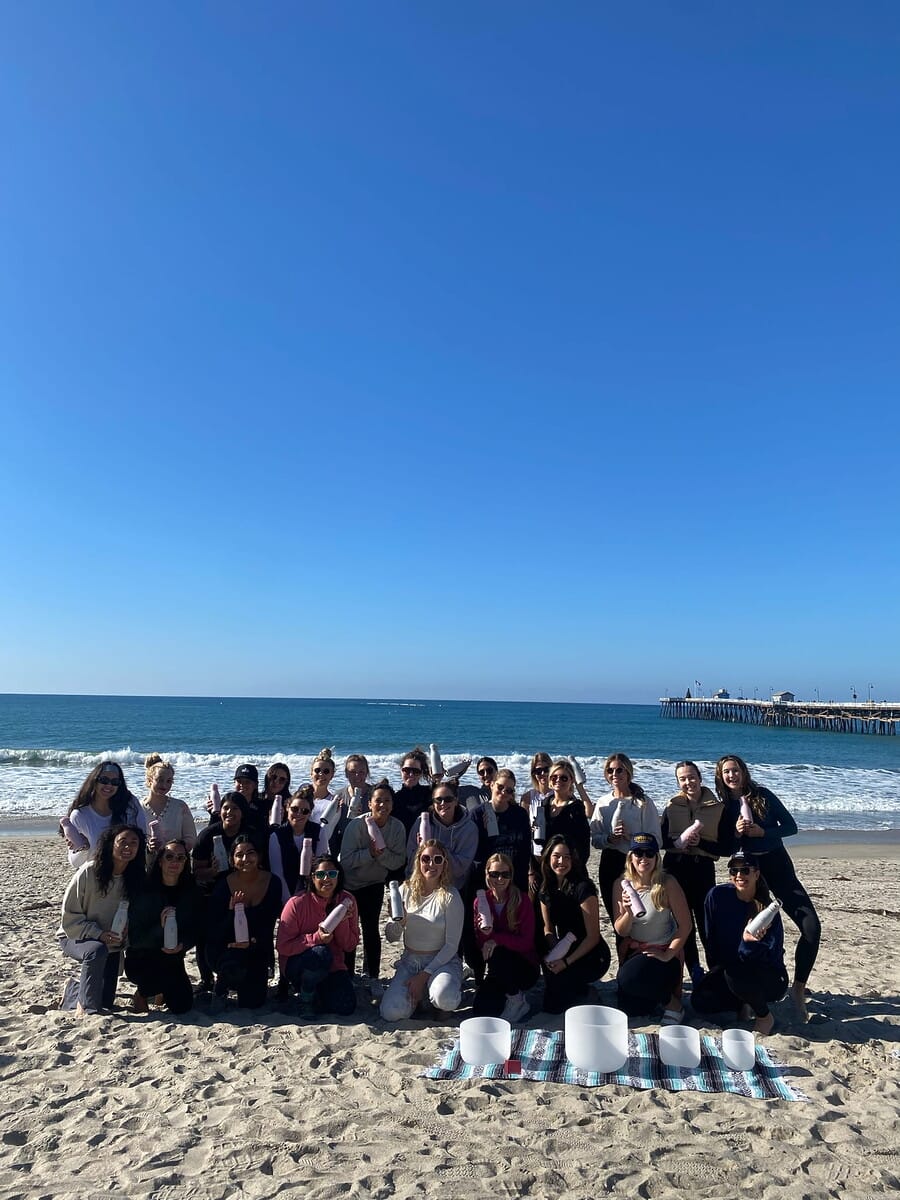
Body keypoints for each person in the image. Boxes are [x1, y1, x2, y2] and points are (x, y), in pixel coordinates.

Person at [715, 754, 821, 1021]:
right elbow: (725, 849)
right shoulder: (724, 807)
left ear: (743, 772)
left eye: (735, 770)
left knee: (812, 927)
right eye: (726, 772)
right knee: (752, 934)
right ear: (721, 777)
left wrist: (763, 832)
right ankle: (748, 997)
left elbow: (791, 827)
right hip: (750, 873)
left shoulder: (762, 796)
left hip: (777, 865)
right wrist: (736, 833)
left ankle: (798, 989)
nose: (731, 775)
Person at [691, 851, 788, 1035]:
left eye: (745, 870)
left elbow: (771, 956)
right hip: (730, 969)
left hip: (768, 974)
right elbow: (711, 939)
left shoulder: (767, 911)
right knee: (701, 1000)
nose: (739, 875)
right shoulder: (716, 896)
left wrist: (748, 944)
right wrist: (715, 971)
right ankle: (742, 1002)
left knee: (735, 973)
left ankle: (764, 1016)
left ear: (756, 874)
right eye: (734, 870)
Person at [58, 824, 147, 1016]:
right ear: (111, 844)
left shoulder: (136, 878)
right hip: (76, 936)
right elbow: (69, 918)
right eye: (123, 841)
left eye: (134, 843)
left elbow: (135, 915)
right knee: (96, 951)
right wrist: (98, 934)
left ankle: (73, 989)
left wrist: (126, 931)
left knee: (106, 1001)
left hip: (111, 943)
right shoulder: (89, 872)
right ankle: (88, 1011)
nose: (128, 847)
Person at [660, 760, 732, 984]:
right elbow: (661, 841)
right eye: (682, 779)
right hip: (674, 869)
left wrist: (701, 843)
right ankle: (694, 970)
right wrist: (677, 842)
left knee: (707, 923)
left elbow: (727, 848)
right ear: (678, 782)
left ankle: (716, 972)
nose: (688, 782)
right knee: (683, 924)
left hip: (702, 869)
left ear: (700, 778)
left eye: (691, 777)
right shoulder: (671, 806)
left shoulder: (717, 808)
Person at [380, 840, 464, 1021]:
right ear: (418, 862)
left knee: (445, 999)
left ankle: (436, 994)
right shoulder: (404, 890)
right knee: (391, 1012)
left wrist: (422, 977)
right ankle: (422, 997)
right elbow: (391, 937)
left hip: (442, 961)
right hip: (410, 962)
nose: (431, 864)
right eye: (426, 859)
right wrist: (400, 922)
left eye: (437, 859)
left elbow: (451, 946)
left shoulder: (451, 895)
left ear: (444, 864)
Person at [612, 833, 691, 1023]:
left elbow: (686, 925)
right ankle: (656, 998)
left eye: (649, 853)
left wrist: (668, 954)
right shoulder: (621, 884)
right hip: (636, 952)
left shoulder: (667, 883)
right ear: (630, 857)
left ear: (657, 857)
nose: (644, 858)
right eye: (638, 853)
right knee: (631, 1009)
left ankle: (673, 1005)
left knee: (629, 978)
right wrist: (628, 913)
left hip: (662, 952)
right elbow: (621, 931)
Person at [339, 780, 407, 993]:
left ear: (392, 805)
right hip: (351, 885)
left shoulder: (397, 827)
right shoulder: (356, 826)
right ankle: (347, 975)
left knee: (371, 929)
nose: (382, 805)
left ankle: (373, 975)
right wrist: (370, 853)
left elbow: (398, 861)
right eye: (378, 800)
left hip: (375, 884)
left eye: (387, 801)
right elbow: (345, 861)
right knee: (350, 930)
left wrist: (381, 854)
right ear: (369, 803)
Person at [125, 838, 201, 1014]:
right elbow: (135, 938)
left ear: (185, 862)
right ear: (160, 861)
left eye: (180, 858)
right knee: (157, 980)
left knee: (182, 1006)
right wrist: (160, 928)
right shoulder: (145, 891)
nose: (175, 862)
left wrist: (183, 944)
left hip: (173, 957)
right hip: (143, 958)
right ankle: (142, 994)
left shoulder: (190, 892)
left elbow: (195, 929)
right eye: (169, 857)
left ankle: (160, 992)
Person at [276, 856, 360, 1016]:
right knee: (321, 954)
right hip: (298, 964)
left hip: (333, 965)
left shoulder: (347, 900)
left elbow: (349, 946)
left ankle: (318, 995)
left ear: (338, 876)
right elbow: (282, 946)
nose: (327, 879)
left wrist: (341, 921)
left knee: (346, 1006)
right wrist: (316, 938)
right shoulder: (296, 903)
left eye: (332, 874)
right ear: (312, 878)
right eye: (321, 875)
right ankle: (305, 999)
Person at [192, 793, 259, 993]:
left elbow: (260, 865)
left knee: (240, 934)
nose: (229, 812)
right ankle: (206, 979)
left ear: (243, 812)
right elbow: (196, 872)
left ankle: (238, 974)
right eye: (226, 808)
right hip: (211, 893)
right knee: (205, 936)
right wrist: (211, 871)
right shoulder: (208, 835)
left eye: (235, 808)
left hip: (242, 890)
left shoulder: (250, 835)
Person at [205, 835, 282, 1009]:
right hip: (226, 947)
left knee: (252, 1003)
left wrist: (252, 942)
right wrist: (231, 912)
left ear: (259, 856)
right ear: (232, 860)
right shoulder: (223, 886)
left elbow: (268, 924)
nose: (245, 859)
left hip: (256, 946)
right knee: (233, 965)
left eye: (250, 853)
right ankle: (221, 989)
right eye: (239, 855)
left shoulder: (272, 882)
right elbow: (214, 930)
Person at [538, 835, 610, 1014]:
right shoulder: (546, 887)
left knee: (558, 1001)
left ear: (573, 859)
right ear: (548, 857)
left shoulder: (583, 887)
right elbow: (548, 928)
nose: (561, 862)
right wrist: (555, 951)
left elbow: (593, 937)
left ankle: (586, 992)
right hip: (564, 946)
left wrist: (565, 962)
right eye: (556, 856)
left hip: (591, 953)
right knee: (551, 1004)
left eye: (567, 857)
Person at [590, 753, 662, 921]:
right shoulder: (603, 802)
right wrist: (609, 839)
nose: (615, 774)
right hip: (610, 862)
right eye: (610, 770)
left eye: (619, 770)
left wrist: (633, 839)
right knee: (617, 915)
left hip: (639, 863)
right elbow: (595, 839)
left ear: (628, 772)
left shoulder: (643, 802)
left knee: (640, 915)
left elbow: (657, 840)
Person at [472, 852, 539, 1022]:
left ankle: (517, 999)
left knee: (499, 952)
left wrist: (496, 939)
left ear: (511, 876)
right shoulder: (481, 901)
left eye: (505, 874)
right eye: (494, 874)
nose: (500, 879)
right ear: (487, 874)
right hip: (498, 969)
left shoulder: (522, 900)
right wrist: (485, 933)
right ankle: (509, 996)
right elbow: (483, 946)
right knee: (481, 1010)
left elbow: (526, 943)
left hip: (524, 966)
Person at [61, 762, 147, 868]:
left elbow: (143, 836)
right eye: (104, 780)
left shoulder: (130, 805)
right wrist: (84, 848)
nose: (109, 785)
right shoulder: (80, 815)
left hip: (127, 870)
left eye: (115, 782)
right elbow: (75, 863)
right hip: (95, 872)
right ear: (94, 781)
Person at [404, 778, 478, 892]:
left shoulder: (469, 828)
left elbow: (459, 869)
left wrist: (435, 849)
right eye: (438, 800)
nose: (443, 803)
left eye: (448, 799)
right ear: (433, 802)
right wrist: (421, 850)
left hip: (452, 888)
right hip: (422, 884)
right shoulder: (421, 822)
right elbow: (411, 862)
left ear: (456, 801)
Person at [471, 769, 532, 891]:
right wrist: (484, 831)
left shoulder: (520, 814)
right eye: (500, 787)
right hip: (487, 880)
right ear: (492, 785)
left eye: (509, 790)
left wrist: (522, 880)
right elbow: (475, 855)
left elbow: (525, 851)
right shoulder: (477, 814)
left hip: (514, 879)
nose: (503, 792)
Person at [268, 785, 325, 905]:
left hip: (312, 889)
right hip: (285, 892)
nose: (299, 814)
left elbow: (322, 866)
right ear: (287, 808)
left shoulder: (318, 832)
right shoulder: (276, 836)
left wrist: (316, 862)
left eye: (304, 811)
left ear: (310, 813)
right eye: (294, 809)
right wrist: (290, 902)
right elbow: (277, 873)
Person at [142, 754, 197, 855]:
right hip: (146, 862)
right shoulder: (138, 808)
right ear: (150, 780)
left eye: (169, 781)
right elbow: (132, 839)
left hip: (176, 861)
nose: (164, 785)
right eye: (160, 780)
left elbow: (191, 839)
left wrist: (172, 850)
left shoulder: (180, 807)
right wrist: (148, 846)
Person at [544, 760, 591, 869]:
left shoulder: (576, 808)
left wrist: (574, 867)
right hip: (547, 866)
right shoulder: (545, 804)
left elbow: (583, 844)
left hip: (568, 866)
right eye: (554, 777)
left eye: (564, 778)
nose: (558, 780)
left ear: (571, 781)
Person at [392, 748, 433, 834]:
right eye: (407, 770)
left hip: (426, 840)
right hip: (400, 841)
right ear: (401, 770)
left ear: (421, 773)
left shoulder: (430, 793)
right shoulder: (394, 798)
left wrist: (437, 779)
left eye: (416, 771)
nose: (411, 774)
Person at [520, 752, 553, 856]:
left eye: (546, 769)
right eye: (538, 771)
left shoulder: (560, 794)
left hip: (555, 851)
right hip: (535, 852)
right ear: (533, 774)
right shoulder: (527, 798)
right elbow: (523, 830)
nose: (543, 773)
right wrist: (531, 828)